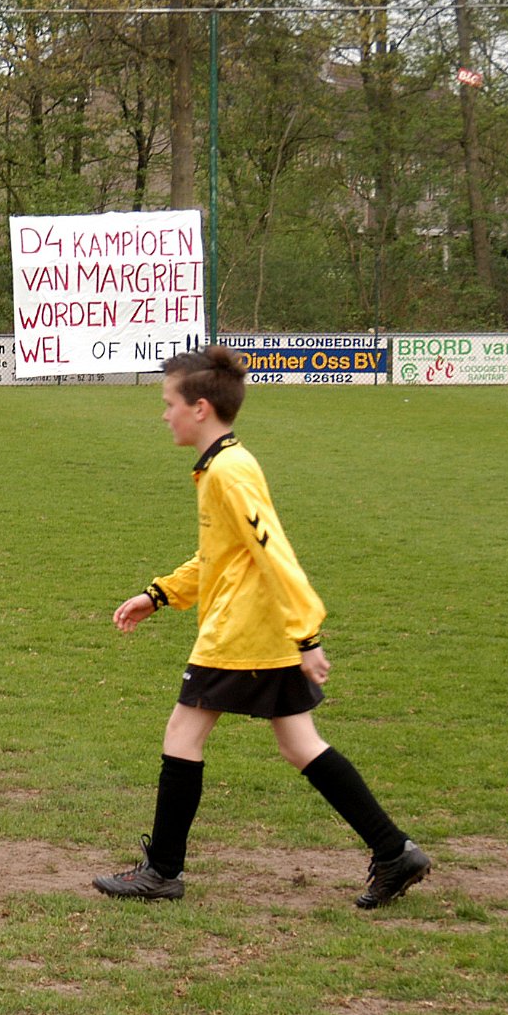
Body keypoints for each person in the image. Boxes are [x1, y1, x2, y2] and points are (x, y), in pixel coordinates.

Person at [94, 344, 431, 908]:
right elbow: (222, 555)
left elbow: (274, 552)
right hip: (261, 629)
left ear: (200, 408)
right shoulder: (222, 466)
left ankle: (163, 871)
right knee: (300, 744)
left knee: (183, 735)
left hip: (241, 633)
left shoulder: (229, 472)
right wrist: (161, 594)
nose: (164, 414)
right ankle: (394, 850)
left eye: (169, 403)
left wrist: (308, 634)